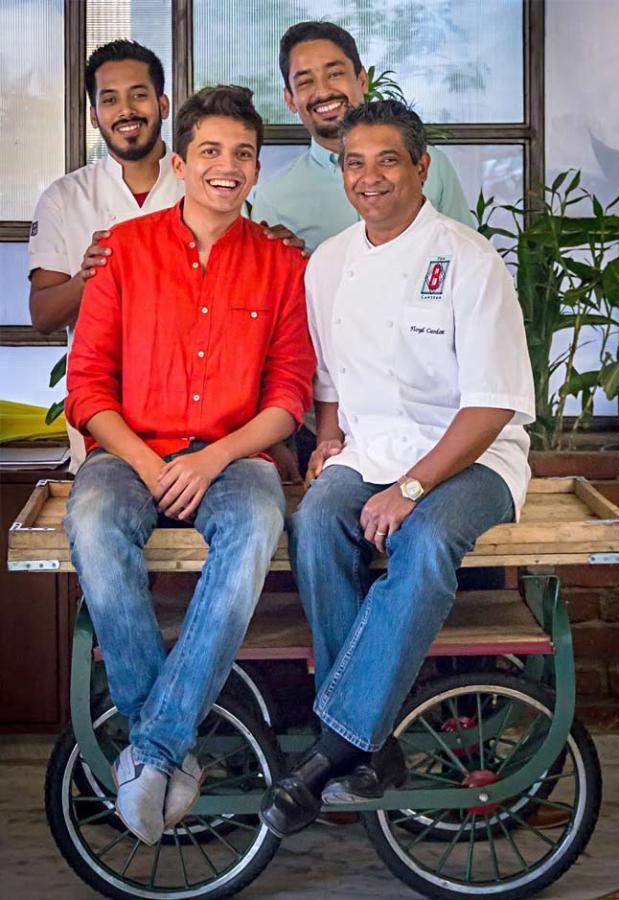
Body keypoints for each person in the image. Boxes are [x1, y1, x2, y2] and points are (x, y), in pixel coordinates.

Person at [260, 99, 535, 838]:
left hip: (472, 457)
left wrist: (412, 489)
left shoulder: (469, 260)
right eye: (355, 163)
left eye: (388, 160)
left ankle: (337, 746)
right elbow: (330, 383)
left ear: (420, 167)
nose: (370, 177)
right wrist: (327, 442)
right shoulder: (330, 263)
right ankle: (371, 749)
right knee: (315, 520)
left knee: (423, 541)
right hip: (370, 447)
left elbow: (489, 407)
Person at [63, 85, 316, 846]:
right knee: (94, 517)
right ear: (180, 162)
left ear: (257, 169)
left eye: (243, 153)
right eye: (210, 150)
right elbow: (87, 387)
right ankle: (164, 744)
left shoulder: (280, 265)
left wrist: (213, 458)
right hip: (129, 452)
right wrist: (144, 461)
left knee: (257, 524)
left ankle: (153, 747)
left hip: (234, 456)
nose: (226, 166)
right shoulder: (125, 252)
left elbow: (291, 395)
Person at [28, 40, 184, 472]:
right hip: (104, 432)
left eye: (139, 94)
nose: (126, 110)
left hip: (196, 431)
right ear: (94, 115)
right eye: (109, 99)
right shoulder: (64, 198)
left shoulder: (201, 184)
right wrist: (86, 276)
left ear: (163, 104)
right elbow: (42, 315)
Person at [251, 19, 474, 254]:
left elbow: (467, 253)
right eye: (305, 81)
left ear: (361, 80)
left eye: (335, 73)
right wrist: (291, 264)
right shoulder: (273, 197)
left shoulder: (428, 163)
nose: (324, 91)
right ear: (290, 99)